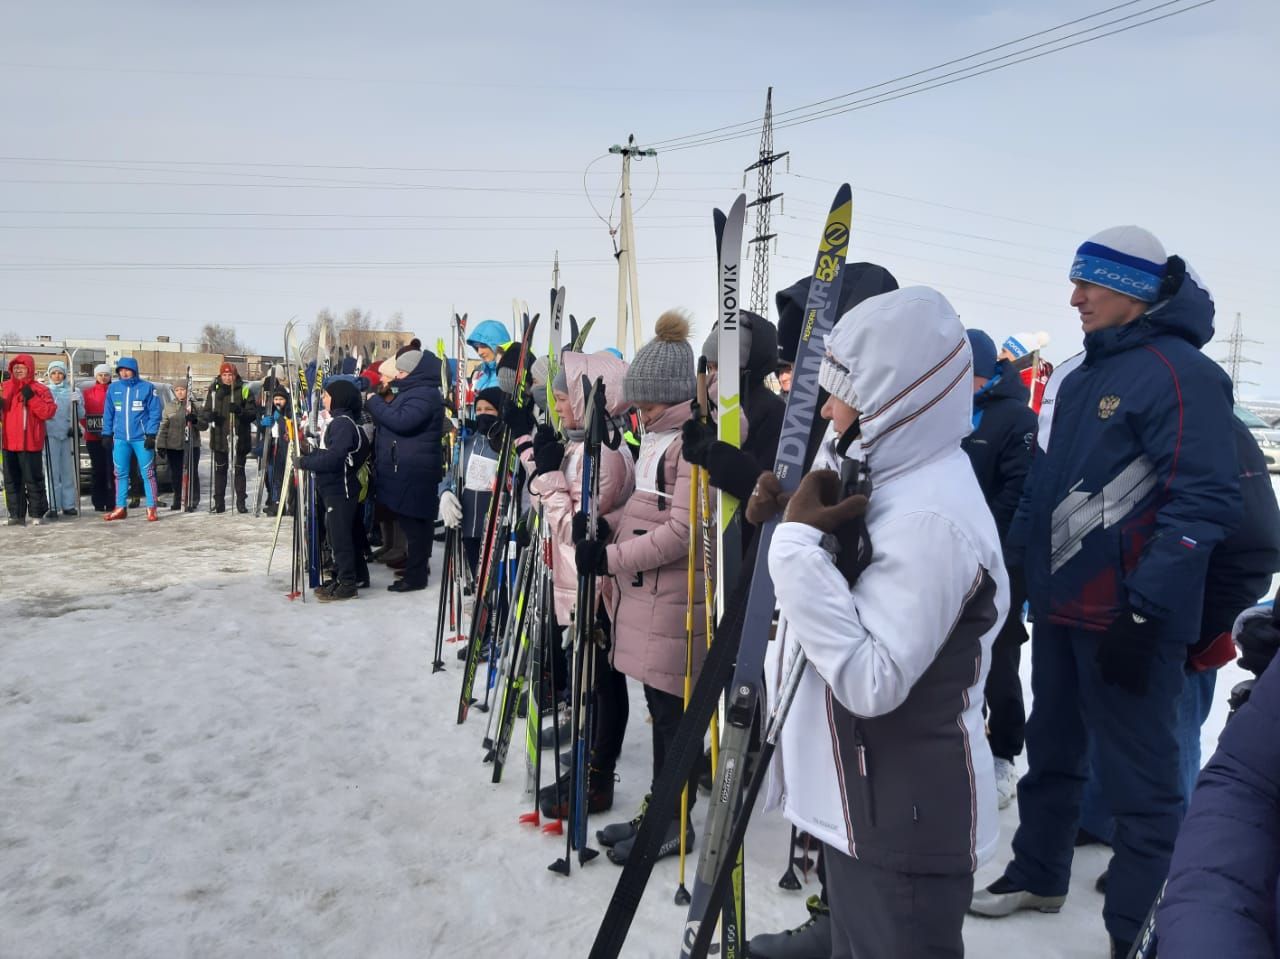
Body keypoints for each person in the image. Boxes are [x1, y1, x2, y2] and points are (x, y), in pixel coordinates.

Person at [970, 226, 1242, 957]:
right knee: (1053, 755)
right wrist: (1019, 568)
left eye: (1088, 282)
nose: (1074, 296)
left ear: (1135, 289)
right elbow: (1046, 486)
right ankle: (1039, 871)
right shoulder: (1080, 375)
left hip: (1130, 621)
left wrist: (1147, 607)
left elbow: (1204, 501)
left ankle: (1138, 930)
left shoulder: (1183, 374)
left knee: (1145, 792)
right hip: (1062, 611)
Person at [751, 286, 1006, 959]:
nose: (828, 408)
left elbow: (872, 679)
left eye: (842, 390)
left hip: (904, 823)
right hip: (869, 802)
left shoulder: (934, 518)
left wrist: (794, 551)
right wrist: (798, 517)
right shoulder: (893, 476)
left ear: (898, 399)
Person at [576, 311, 705, 864]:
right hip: (649, 597)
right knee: (659, 706)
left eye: (649, 406)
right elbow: (642, 506)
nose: (641, 416)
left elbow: (680, 533)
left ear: (671, 399)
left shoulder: (688, 447)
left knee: (672, 715)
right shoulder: (659, 440)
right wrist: (607, 528)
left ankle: (675, 823)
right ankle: (660, 808)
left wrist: (609, 557)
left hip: (675, 600)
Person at [517, 352, 636, 820]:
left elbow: (575, 527)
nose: (560, 406)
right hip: (574, 582)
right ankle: (591, 761)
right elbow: (546, 501)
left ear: (591, 399)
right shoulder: (582, 445)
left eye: (566, 398)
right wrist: (538, 457)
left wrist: (547, 476)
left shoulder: (603, 455)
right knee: (589, 681)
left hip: (596, 585)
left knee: (602, 683)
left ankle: (598, 775)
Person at [1156, 630, 1280, 956]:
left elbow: (1239, 579)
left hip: (1183, 641)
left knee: (1164, 768)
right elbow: (1248, 782)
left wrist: (1206, 631)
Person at [962, 328, 1038, 810]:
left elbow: (1019, 498)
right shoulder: (947, 413)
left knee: (1001, 661)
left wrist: (997, 560)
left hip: (1000, 565)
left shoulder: (1016, 419)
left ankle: (1005, 753)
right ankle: (964, 744)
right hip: (950, 561)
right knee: (958, 661)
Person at [367, 346, 444, 592]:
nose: (397, 376)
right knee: (413, 522)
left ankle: (416, 575)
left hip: (414, 469)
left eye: (401, 372)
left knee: (415, 524)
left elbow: (403, 421)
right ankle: (415, 572)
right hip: (409, 466)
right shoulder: (414, 391)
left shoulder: (423, 395)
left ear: (412, 372)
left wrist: (374, 403)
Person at [297, 380, 372, 602]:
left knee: (339, 537)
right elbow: (334, 453)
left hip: (341, 489)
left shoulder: (342, 423)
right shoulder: (343, 422)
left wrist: (305, 462)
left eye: (327, 396)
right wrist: (311, 455)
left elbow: (335, 458)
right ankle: (346, 576)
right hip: (338, 488)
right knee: (343, 534)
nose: (323, 399)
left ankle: (347, 583)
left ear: (339, 398)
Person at [440, 386, 505, 578]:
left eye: (489, 410)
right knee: (475, 572)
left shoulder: (506, 444)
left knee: (492, 578)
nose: (483, 414)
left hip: (495, 524)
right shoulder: (467, 443)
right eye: (479, 410)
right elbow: (451, 475)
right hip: (468, 524)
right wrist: (445, 492)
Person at [101, 357, 162, 522]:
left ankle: (151, 508)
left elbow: (155, 413)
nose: (124, 373)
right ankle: (120, 507)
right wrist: (106, 433)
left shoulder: (147, 388)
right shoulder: (113, 388)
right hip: (120, 439)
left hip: (141, 439)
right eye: (121, 370)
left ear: (134, 370)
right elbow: (108, 413)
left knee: (147, 474)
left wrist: (150, 434)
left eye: (127, 370)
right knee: (120, 473)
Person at [1, 353, 57, 525]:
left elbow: (48, 412)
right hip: (9, 442)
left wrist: (31, 398)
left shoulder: (40, 389)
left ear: (29, 369)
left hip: (30, 442)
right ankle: (16, 514)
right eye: (15, 367)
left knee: (33, 479)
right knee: (11, 480)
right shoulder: (4, 387)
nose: (18, 370)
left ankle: (36, 513)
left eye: (22, 367)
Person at [204, 361, 255, 513]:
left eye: (230, 375)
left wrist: (240, 411)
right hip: (220, 437)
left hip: (239, 438)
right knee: (220, 471)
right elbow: (205, 410)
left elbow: (252, 413)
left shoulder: (244, 390)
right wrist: (210, 416)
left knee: (239, 470)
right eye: (224, 375)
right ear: (220, 375)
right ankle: (219, 502)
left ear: (235, 375)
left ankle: (241, 502)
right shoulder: (214, 390)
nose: (227, 378)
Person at [156, 381, 205, 511]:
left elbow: (203, 425)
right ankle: (178, 498)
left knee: (191, 473)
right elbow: (164, 426)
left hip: (191, 445)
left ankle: (192, 500)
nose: (180, 392)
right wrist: (161, 444)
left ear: (187, 391)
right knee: (176, 475)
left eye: (182, 389)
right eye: (177, 390)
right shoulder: (169, 406)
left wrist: (195, 420)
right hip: (173, 446)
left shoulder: (195, 406)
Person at [43, 360, 83, 518]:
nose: (57, 376)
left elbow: (80, 414)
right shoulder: (44, 391)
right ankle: (52, 504)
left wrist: (77, 403)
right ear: (49, 375)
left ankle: (68, 504)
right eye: (53, 373)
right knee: (52, 471)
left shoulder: (73, 390)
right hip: (50, 434)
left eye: (60, 373)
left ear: (65, 374)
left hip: (67, 435)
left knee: (68, 471)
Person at [80, 364, 114, 511]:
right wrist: (91, 428)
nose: (103, 377)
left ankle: (112, 500)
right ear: (96, 376)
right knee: (98, 470)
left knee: (112, 470)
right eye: (100, 375)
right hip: (93, 437)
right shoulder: (87, 393)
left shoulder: (116, 391)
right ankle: (98, 501)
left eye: (106, 375)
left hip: (113, 437)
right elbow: (82, 414)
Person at [258, 387, 293, 513]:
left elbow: (289, 428)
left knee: (282, 475)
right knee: (272, 475)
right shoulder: (269, 411)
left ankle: (286, 503)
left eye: (281, 399)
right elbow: (263, 430)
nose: (278, 402)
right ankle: (275, 501)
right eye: (276, 399)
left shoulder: (288, 412)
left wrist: (280, 419)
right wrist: (263, 424)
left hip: (284, 446)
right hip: (273, 446)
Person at [465, 320, 510, 391]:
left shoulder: (509, 376)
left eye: (483, 346)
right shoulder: (482, 375)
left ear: (496, 345)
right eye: (477, 347)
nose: (479, 352)